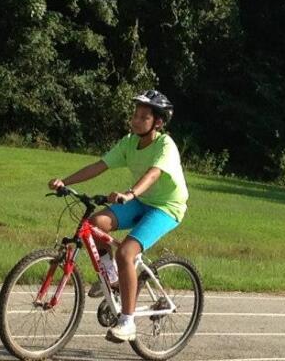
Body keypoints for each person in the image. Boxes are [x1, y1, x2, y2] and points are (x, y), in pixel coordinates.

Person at [48, 89, 188, 342]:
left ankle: (127, 321)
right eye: (135, 115)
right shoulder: (128, 142)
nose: (135, 120)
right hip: (141, 201)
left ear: (157, 122)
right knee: (95, 224)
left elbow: (154, 174)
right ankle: (112, 280)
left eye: (143, 117)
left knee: (126, 252)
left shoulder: (165, 145)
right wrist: (64, 182)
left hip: (166, 207)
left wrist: (130, 193)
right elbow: (99, 166)